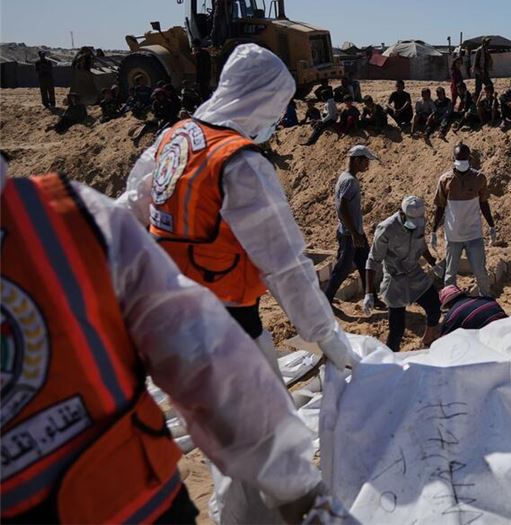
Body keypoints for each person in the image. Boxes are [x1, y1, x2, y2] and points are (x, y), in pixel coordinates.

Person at [0, 162, 342, 524]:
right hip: (139, 503)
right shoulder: (65, 217)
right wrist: (298, 488)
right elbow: (204, 355)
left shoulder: (86, 208)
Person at [119, 44, 357, 377]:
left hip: (163, 311)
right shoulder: (241, 164)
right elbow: (285, 263)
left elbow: (131, 207)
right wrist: (326, 335)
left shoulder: (175, 137)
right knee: (263, 410)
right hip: (227, 329)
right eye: (278, 106)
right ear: (262, 99)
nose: (277, 118)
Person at [363, 196, 442, 351]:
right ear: (401, 213)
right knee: (397, 329)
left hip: (414, 273)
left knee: (434, 306)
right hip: (395, 279)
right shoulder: (386, 229)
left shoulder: (419, 222)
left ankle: (428, 338)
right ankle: (390, 356)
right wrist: (369, 293)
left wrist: (433, 263)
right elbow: (373, 260)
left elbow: (421, 245)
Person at [432, 143, 496, 297]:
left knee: (480, 272)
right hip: (453, 236)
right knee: (450, 275)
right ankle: (450, 302)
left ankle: (486, 299)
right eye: (459, 158)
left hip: (474, 234)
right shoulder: (445, 180)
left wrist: (491, 225)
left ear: (470, 159)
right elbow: (440, 207)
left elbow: (484, 203)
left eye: (464, 158)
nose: (461, 161)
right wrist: (433, 230)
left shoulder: (479, 178)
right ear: (453, 159)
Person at [324, 145, 378, 302]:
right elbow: (342, 207)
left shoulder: (345, 177)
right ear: (356, 160)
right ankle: (326, 299)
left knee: (366, 264)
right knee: (342, 269)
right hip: (350, 234)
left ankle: (372, 296)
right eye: (365, 161)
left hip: (354, 231)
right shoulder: (350, 181)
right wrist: (354, 233)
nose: (367, 164)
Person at [435, 284, 507, 341]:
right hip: (508, 329)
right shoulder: (486, 299)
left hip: (493, 339)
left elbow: (444, 341)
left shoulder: (453, 315)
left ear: (448, 304)